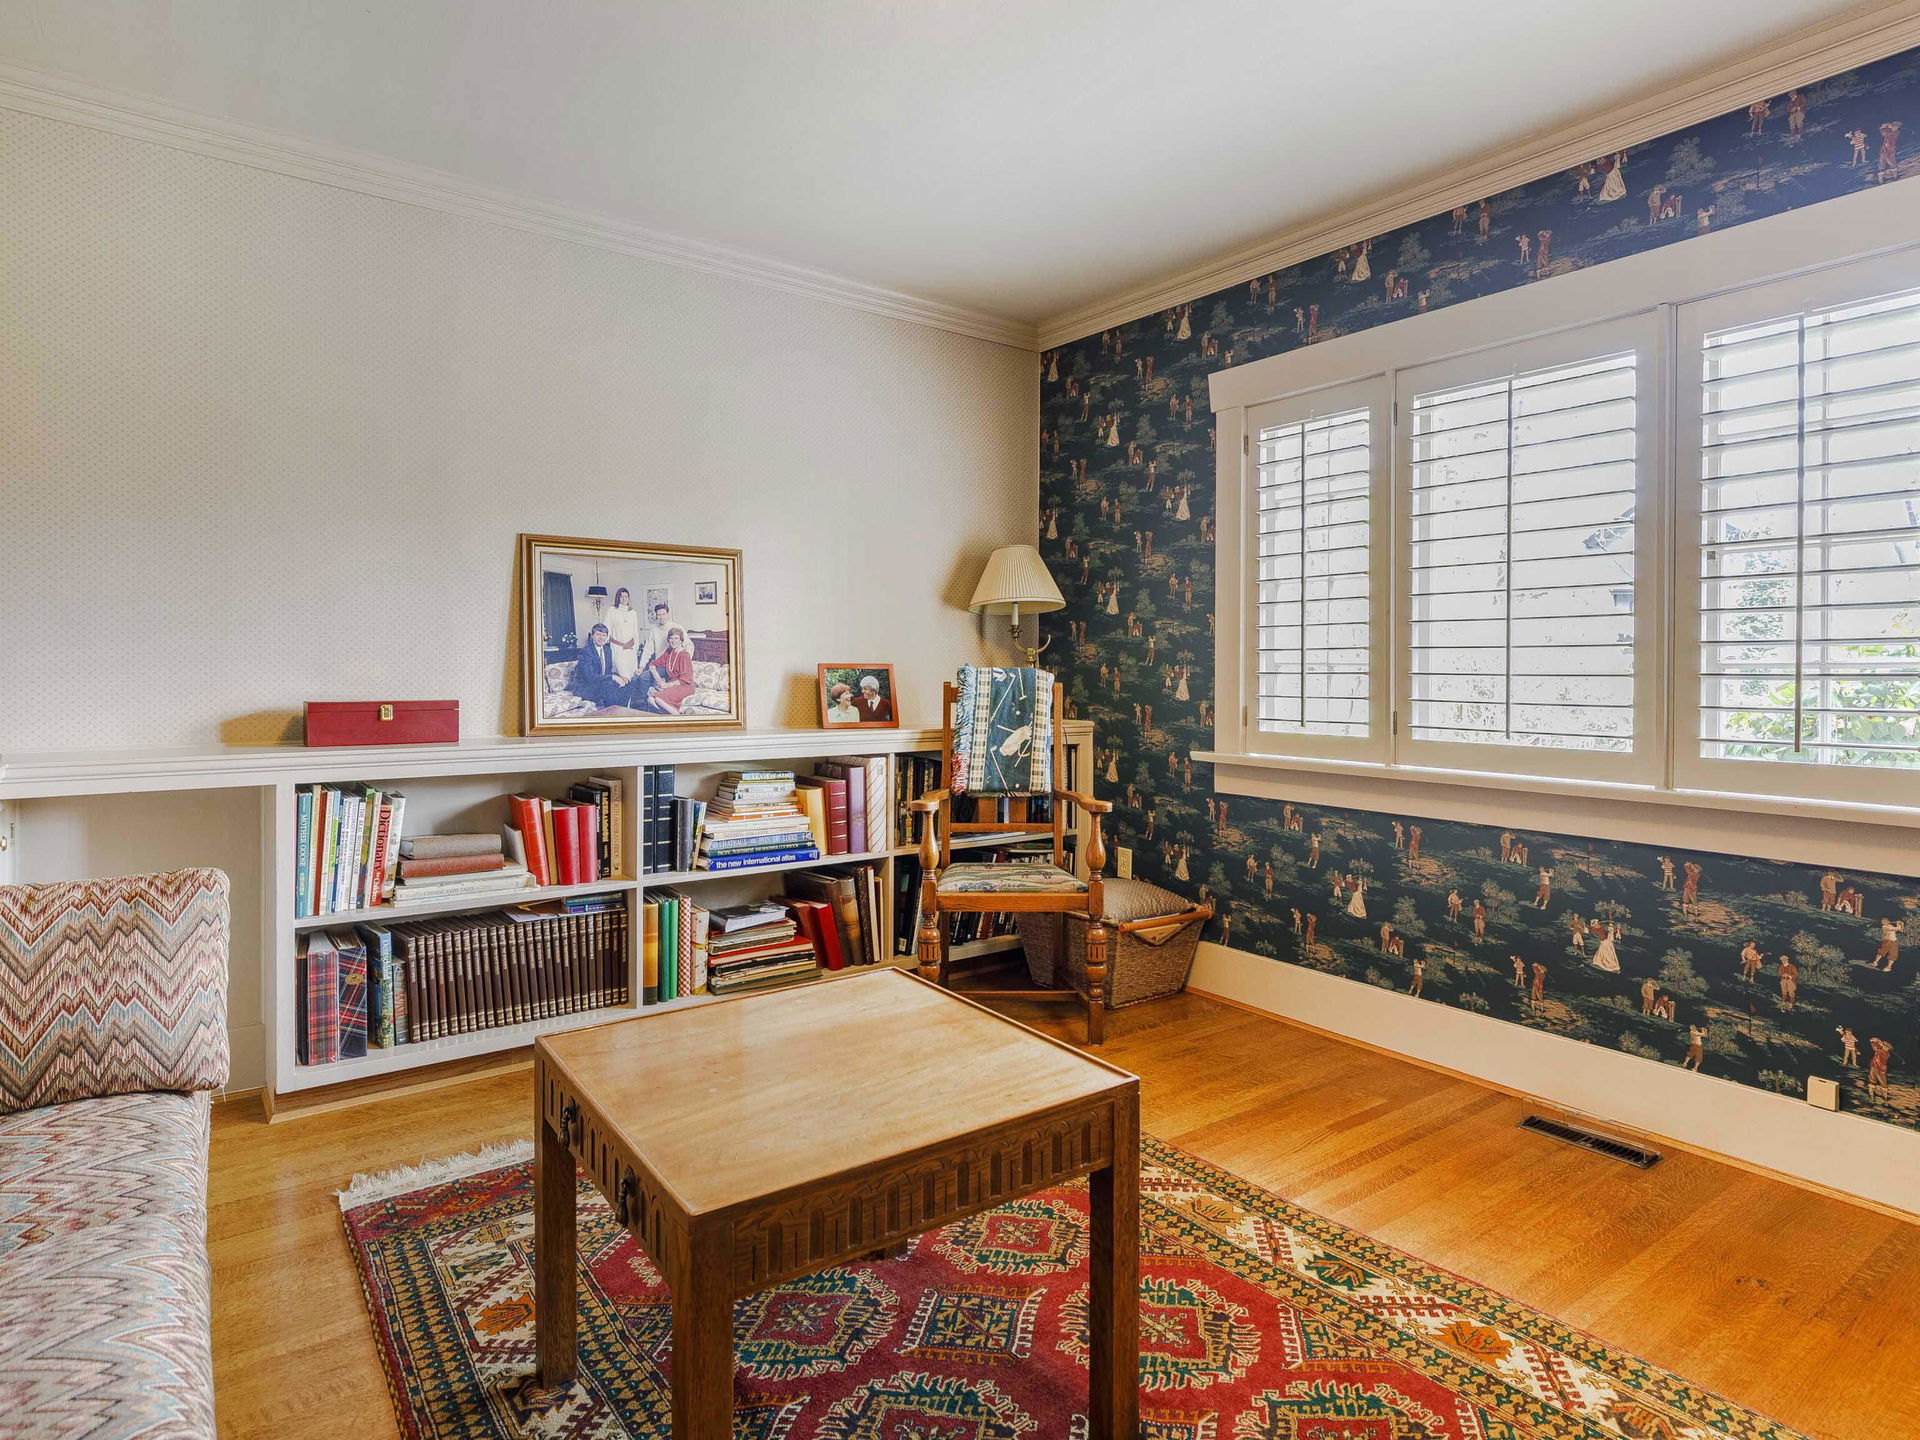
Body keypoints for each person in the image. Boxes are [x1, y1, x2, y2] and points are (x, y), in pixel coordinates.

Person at [570, 623, 633, 709]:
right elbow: (590, 677)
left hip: (601, 683)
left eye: (604, 635)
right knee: (609, 686)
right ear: (592, 635)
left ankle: (621, 710)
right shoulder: (585, 651)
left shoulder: (607, 650)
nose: (601, 638)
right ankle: (612, 712)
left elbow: (607, 672)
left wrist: (621, 677)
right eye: (598, 634)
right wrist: (612, 677)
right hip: (585, 687)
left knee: (627, 683)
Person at [639, 627, 697, 714]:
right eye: (671, 638)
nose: (673, 641)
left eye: (676, 638)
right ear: (668, 640)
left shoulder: (684, 655)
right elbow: (652, 664)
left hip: (685, 686)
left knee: (658, 699)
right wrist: (658, 678)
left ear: (681, 640)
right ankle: (677, 713)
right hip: (673, 685)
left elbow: (687, 678)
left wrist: (667, 685)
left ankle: (678, 717)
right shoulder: (668, 653)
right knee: (650, 699)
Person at [604, 588, 641, 684]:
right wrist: (602, 643)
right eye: (621, 597)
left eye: (626, 597)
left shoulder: (633, 613)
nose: (624, 599)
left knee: (632, 676)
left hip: (631, 649)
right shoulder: (612, 610)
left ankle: (631, 694)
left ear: (629, 598)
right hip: (617, 648)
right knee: (622, 675)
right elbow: (607, 628)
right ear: (618, 598)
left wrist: (636, 647)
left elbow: (635, 632)